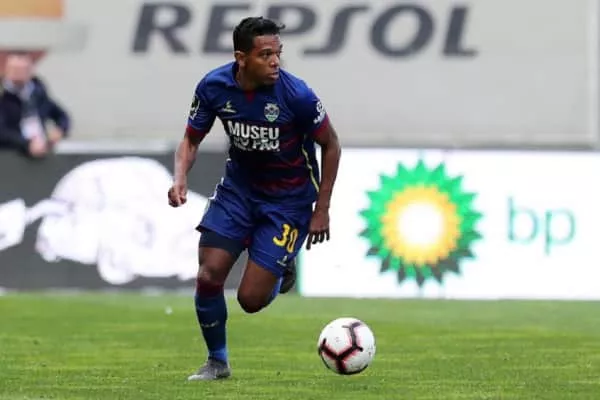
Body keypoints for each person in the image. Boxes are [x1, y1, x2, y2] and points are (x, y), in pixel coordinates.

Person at [167, 16, 342, 381]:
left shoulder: (297, 95)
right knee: (209, 272)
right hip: (239, 192)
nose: (276, 61)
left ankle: (281, 268)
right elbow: (191, 139)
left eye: (278, 53)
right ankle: (217, 362)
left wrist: (322, 209)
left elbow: (331, 144)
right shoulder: (214, 87)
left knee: (250, 300)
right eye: (265, 55)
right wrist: (179, 177)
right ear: (241, 58)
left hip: (288, 203)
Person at [0, 52, 70, 158]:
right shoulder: (3, 96)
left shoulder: (38, 93)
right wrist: (27, 144)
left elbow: (62, 115)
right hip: (12, 154)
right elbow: (3, 132)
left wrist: (60, 130)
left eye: (22, 70)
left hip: (41, 150)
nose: (18, 74)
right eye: (15, 70)